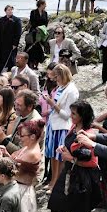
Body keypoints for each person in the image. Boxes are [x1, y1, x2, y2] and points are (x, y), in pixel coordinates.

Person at [45, 101, 102, 212]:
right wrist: (64, 148)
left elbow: (93, 161)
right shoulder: (73, 127)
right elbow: (70, 146)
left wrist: (71, 158)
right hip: (70, 171)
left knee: (80, 206)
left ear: (82, 116)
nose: (70, 116)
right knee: (56, 199)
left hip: (84, 176)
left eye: (74, 113)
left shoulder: (88, 134)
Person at [42, 64, 79, 193]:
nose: (55, 79)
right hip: (53, 124)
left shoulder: (71, 91)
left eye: (56, 76)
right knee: (52, 154)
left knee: (60, 156)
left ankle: (58, 184)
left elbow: (67, 115)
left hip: (62, 127)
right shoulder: (61, 87)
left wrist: (52, 104)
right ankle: (52, 181)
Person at [0, 5, 22, 73]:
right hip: (1, 42)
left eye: (11, 10)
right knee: (0, 57)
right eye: (8, 10)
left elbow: (18, 33)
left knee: (10, 59)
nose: (10, 11)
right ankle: (0, 70)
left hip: (10, 43)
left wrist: (15, 44)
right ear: (5, 11)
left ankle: (10, 71)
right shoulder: (1, 20)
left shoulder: (16, 20)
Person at [25, 0, 48, 69]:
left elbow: (46, 22)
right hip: (34, 32)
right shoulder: (33, 12)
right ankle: (30, 63)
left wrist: (42, 28)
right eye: (44, 4)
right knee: (32, 48)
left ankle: (37, 63)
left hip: (41, 33)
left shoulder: (45, 13)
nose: (45, 6)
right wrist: (36, 27)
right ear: (41, 4)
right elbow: (32, 21)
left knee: (39, 48)